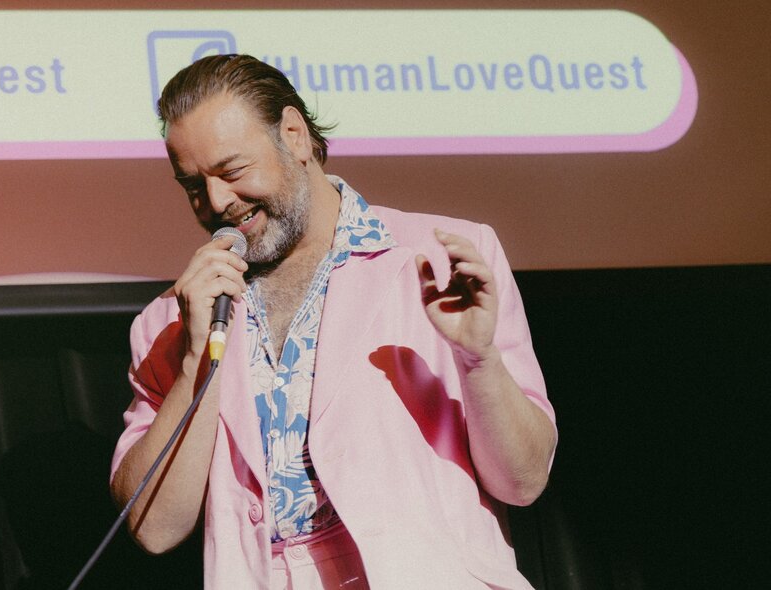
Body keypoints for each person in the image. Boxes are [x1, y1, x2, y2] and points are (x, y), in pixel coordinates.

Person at [110, 54, 557, 589]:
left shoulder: (438, 259)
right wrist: (193, 362)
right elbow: (154, 527)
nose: (216, 201)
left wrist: (478, 359)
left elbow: (523, 481)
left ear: (294, 136)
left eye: (232, 171)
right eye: (192, 185)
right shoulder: (170, 322)